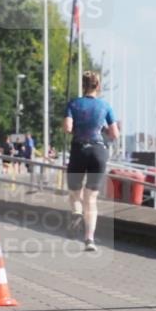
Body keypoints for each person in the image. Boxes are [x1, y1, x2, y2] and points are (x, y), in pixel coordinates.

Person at [64, 71, 119, 252]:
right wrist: (101, 129)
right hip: (98, 151)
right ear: (98, 86)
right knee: (92, 199)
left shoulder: (73, 104)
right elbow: (114, 134)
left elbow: (67, 127)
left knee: (75, 193)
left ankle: (77, 213)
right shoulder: (105, 106)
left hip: (79, 150)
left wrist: (77, 129)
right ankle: (89, 239)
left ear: (83, 86)